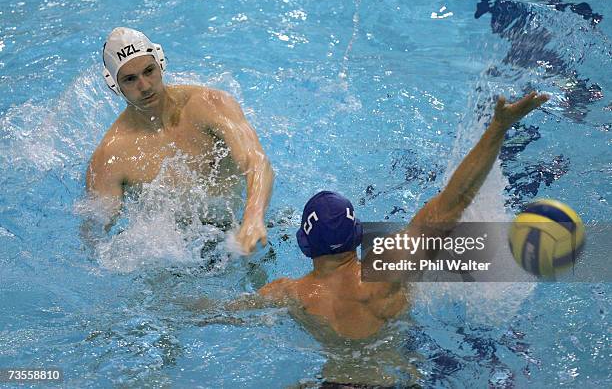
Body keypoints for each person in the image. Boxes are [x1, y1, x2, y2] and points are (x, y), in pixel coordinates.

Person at [257, 91, 549, 339]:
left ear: (305, 244)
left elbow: (222, 311)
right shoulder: (387, 271)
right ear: (358, 234)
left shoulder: (289, 294)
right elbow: (456, 200)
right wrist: (498, 127)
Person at [86, 27, 274, 253]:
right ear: (113, 84)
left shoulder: (210, 105)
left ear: (161, 62)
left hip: (244, 231)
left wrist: (253, 216)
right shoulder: (110, 158)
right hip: (180, 255)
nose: (144, 86)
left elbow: (257, 162)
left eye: (149, 71)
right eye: (130, 79)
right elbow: (94, 240)